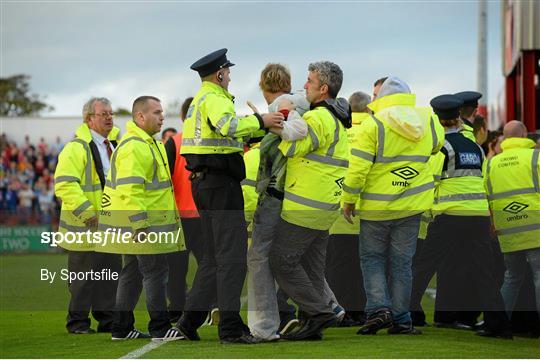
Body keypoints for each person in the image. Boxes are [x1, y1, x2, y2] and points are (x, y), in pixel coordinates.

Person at [174, 48, 284, 344]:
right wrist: (263, 121)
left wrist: (257, 130)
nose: (230, 76)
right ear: (219, 73)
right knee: (232, 259)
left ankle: (189, 322)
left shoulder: (201, 100)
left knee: (212, 260)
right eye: (228, 71)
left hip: (205, 184)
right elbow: (230, 126)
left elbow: (225, 136)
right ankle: (231, 329)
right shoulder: (215, 98)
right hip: (221, 185)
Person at [342, 76, 445, 335]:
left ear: (381, 98)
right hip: (411, 206)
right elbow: (437, 146)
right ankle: (401, 319)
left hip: (376, 207)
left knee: (372, 259)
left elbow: (358, 169)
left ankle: (378, 310)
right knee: (402, 264)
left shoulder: (372, 124)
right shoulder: (429, 119)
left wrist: (348, 200)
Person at [269, 61, 350, 341]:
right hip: (325, 205)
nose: (304, 86)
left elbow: (292, 146)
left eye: (309, 81)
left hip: (306, 205)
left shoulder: (318, 118)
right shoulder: (337, 116)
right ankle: (312, 321)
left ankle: (317, 313)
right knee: (313, 270)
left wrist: (283, 116)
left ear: (323, 88)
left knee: (281, 261)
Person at [98, 96, 185, 341]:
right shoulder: (137, 145)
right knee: (155, 271)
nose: (162, 117)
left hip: (139, 223)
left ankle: (121, 328)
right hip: (142, 225)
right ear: (140, 116)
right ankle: (159, 327)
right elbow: (131, 190)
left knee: (134, 272)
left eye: (161, 112)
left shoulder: (148, 143)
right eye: (156, 112)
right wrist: (140, 223)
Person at [424, 94, 511, 339]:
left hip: (449, 215)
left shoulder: (442, 146)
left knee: (423, 266)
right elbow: (482, 181)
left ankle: (408, 315)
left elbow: (431, 180)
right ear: (459, 119)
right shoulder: (474, 146)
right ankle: (498, 324)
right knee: (483, 271)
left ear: (438, 119)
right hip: (478, 216)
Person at [247, 63, 313, 342]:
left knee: (259, 256)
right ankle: (324, 306)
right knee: (296, 257)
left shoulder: (280, 109)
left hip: (277, 194)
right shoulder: (304, 104)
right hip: (303, 194)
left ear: (263, 87)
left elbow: (289, 134)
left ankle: (264, 325)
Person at [54, 97, 122, 334]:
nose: (109, 117)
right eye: (103, 114)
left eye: (111, 113)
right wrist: (86, 212)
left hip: (110, 224)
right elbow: (64, 184)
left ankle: (107, 320)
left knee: (110, 275)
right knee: (82, 279)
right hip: (85, 225)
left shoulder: (114, 145)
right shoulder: (76, 147)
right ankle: (78, 323)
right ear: (89, 119)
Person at [484, 120, 540, 322]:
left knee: (512, 277)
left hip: (507, 229)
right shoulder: (535, 157)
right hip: (536, 228)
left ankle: (498, 324)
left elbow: (487, 196)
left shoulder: (491, 163)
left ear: (505, 137)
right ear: (525, 133)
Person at [325, 91, 372, 327]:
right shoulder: (372, 133)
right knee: (364, 267)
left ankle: (338, 311)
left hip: (338, 211)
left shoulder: (342, 134)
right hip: (368, 212)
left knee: (337, 266)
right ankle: (360, 312)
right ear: (369, 109)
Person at [164, 97, 206, 324]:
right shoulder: (209, 142)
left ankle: (176, 309)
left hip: (178, 216)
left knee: (176, 269)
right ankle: (206, 306)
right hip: (203, 215)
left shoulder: (173, 142)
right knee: (208, 265)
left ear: (182, 118)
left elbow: (165, 181)